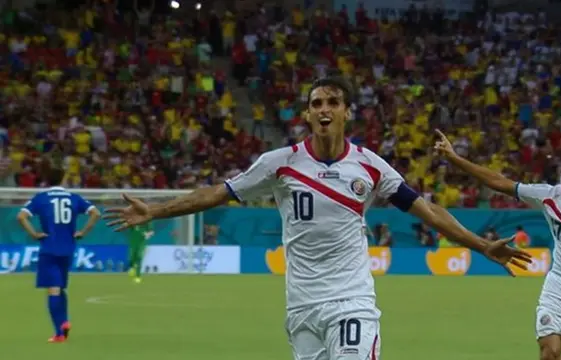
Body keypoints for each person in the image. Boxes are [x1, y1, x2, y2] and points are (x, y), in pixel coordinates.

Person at [105, 77, 532, 360]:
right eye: (316, 103)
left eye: (332, 102)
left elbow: (428, 211)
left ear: (346, 112)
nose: (324, 109)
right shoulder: (280, 163)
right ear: (307, 115)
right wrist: (156, 211)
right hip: (301, 309)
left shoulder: (371, 167)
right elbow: (219, 191)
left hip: (352, 304)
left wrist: (480, 245)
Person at [434, 130, 561, 360]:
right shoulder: (549, 196)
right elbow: (499, 182)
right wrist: (454, 158)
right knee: (549, 353)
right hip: (558, 292)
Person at [16, 168, 101, 343]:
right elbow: (96, 213)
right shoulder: (74, 198)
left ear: (47, 180)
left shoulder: (41, 198)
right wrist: (83, 232)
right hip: (68, 249)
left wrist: (34, 234)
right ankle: (64, 321)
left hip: (49, 249)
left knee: (53, 289)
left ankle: (59, 331)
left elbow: (21, 216)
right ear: (63, 178)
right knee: (60, 287)